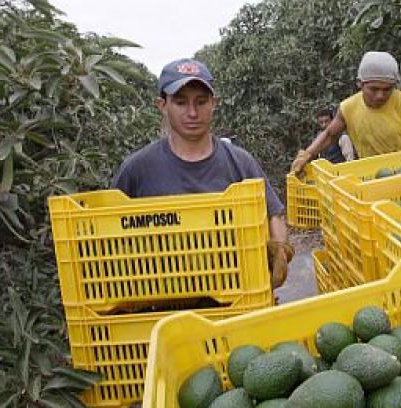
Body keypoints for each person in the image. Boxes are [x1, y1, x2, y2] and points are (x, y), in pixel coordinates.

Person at [112, 58, 293, 289]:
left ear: (213, 103)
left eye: (201, 102)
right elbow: (111, 230)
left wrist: (279, 247)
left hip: (233, 294)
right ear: (162, 105)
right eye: (180, 102)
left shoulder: (239, 162)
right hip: (162, 301)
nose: (192, 112)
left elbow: (273, 214)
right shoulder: (137, 169)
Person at [291, 51, 401, 174]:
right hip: (372, 175)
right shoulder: (348, 108)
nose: (380, 95)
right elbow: (330, 134)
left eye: (387, 89)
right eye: (374, 89)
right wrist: (307, 154)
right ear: (359, 84)